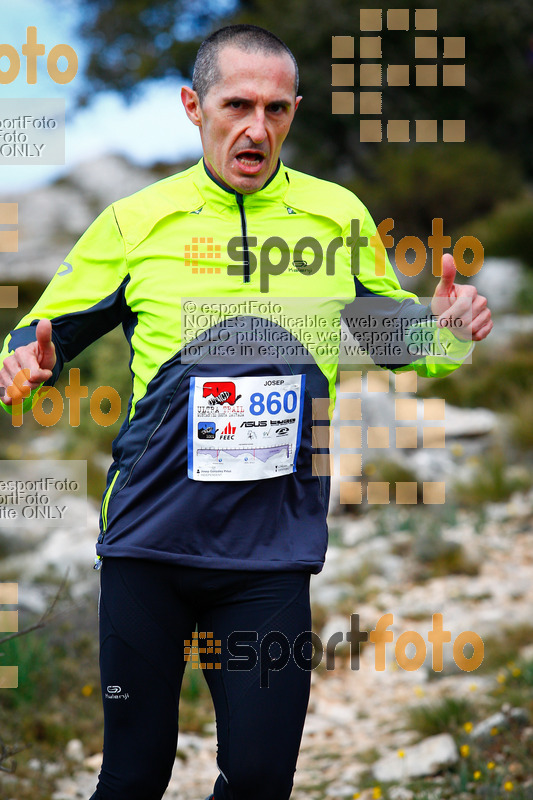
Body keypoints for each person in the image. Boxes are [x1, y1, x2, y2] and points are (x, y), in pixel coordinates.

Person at [0, 23, 492, 800]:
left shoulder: (334, 218)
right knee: (133, 778)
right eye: (236, 105)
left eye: (275, 109)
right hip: (149, 542)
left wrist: (447, 330)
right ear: (194, 107)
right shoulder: (136, 222)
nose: (255, 128)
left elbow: (390, 334)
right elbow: (49, 331)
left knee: (261, 778)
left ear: (294, 111)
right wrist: (24, 353)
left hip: (270, 550)